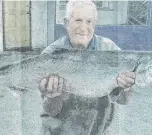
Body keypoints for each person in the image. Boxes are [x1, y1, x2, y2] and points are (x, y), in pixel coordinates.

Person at [39, 1, 135, 135]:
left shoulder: (110, 50)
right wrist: (54, 96)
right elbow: (51, 111)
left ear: (95, 24)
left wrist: (127, 88)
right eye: (78, 20)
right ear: (66, 23)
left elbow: (124, 100)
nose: (83, 28)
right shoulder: (51, 55)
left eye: (89, 21)